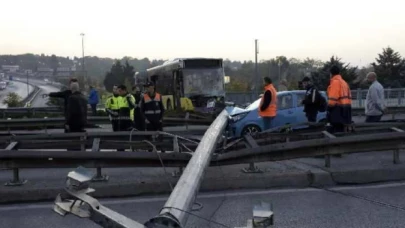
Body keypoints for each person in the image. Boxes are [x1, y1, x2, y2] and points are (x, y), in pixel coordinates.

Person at [326, 65, 352, 133]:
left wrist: (328, 107)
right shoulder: (344, 82)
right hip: (346, 109)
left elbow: (332, 100)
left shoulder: (335, 82)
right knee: (343, 131)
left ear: (331, 73)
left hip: (337, 110)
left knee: (337, 131)